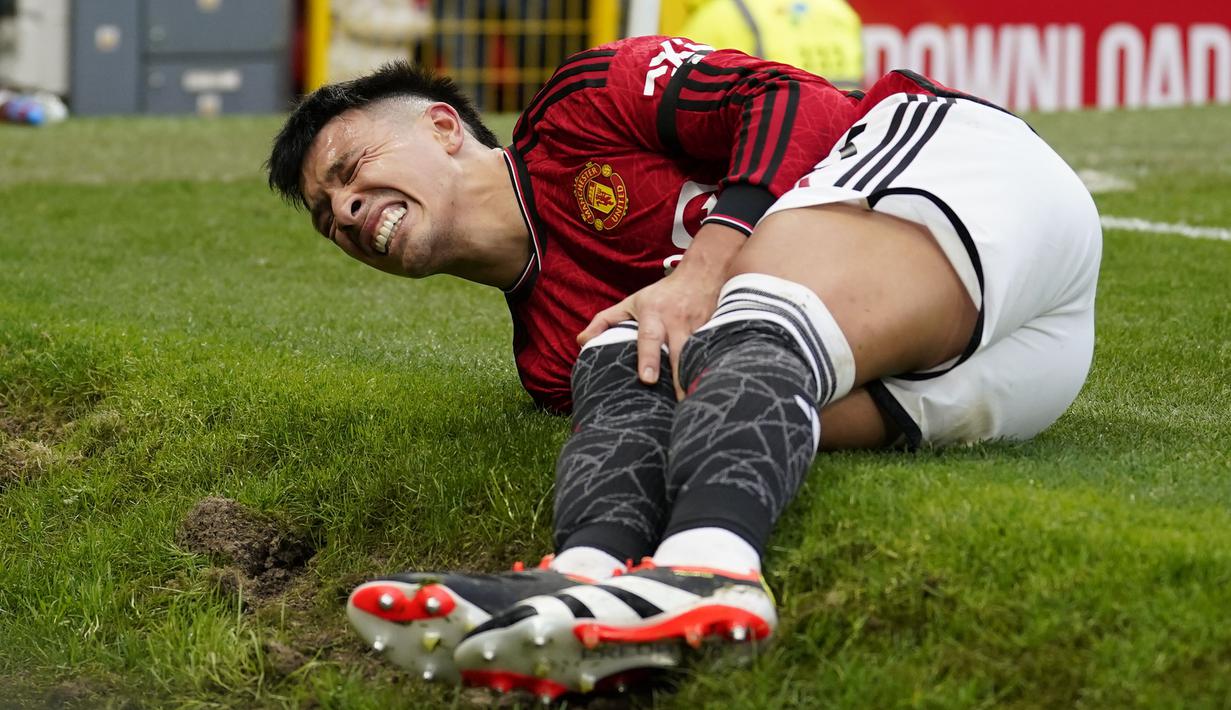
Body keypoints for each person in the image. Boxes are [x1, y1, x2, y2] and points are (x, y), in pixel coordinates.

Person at [267, 35, 1101, 701]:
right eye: (324, 215)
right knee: (622, 355)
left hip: (968, 186)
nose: (343, 210)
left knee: (722, 323)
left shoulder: (581, 104)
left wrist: (702, 270)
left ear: (444, 127)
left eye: (348, 170)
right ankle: (581, 581)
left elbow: (794, 98)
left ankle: (715, 567)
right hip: (997, 372)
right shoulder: (548, 356)